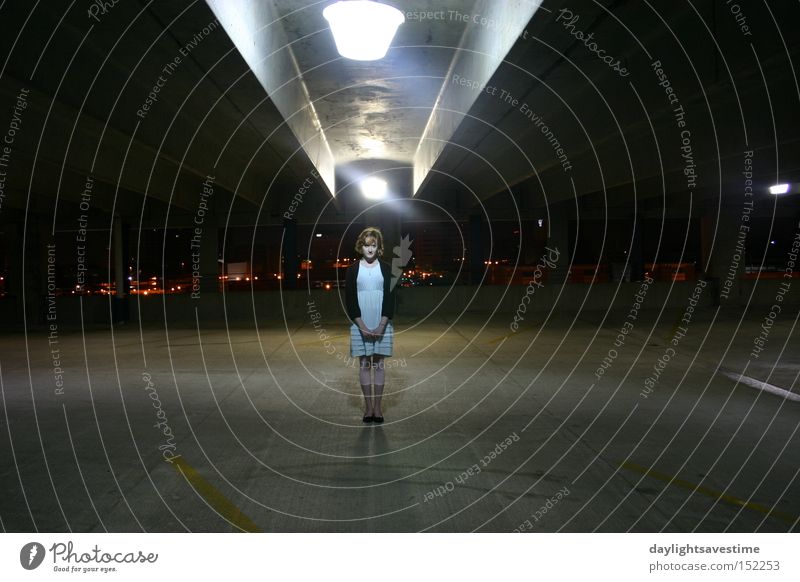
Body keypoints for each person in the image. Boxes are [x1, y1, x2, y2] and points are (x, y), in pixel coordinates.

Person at [345, 227, 396, 424]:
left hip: (382, 322)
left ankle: (378, 408)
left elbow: (391, 298)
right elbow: (349, 300)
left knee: (379, 365)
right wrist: (361, 324)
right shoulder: (352, 270)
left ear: (378, 247)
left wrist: (382, 324)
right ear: (361, 246)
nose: (370, 249)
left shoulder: (386, 269)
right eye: (366, 245)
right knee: (365, 364)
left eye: (373, 245)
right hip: (360, 323)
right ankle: (368, 409)